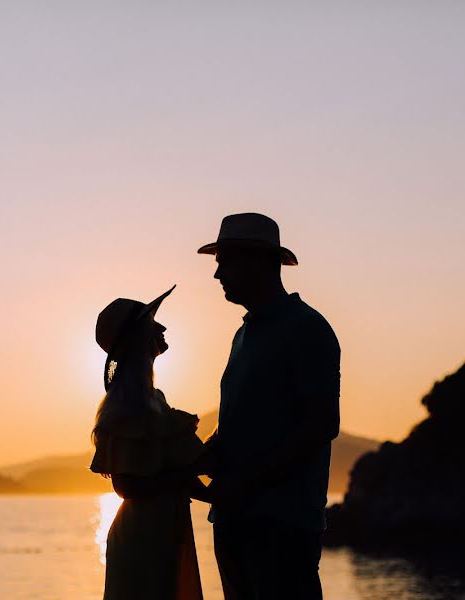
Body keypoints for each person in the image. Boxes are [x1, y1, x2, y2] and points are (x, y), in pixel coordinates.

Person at [197, 213, 341, 600]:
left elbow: (321, 424)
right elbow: (239, 421)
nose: (217, 275)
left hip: (282, 524)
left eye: (224, 262)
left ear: (259, 261)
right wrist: (200, 456)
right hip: (232, 519)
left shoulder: (307, 329)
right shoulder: (243, 334)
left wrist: (245, 482)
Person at [90, 285, 210, 600]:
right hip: (143, 535)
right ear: (138, 337)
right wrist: (191, 478)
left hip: (163, 527)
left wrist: (217, 495)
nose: (162, 327)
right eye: (152, 322)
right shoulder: (128, 405)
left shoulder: (153, 400)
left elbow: (173, 470)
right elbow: (126, 486)